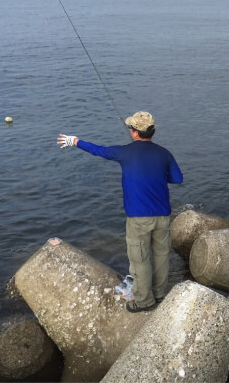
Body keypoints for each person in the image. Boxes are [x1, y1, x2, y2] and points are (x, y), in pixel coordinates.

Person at [57, 111, 183, 312]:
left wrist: (75, 141)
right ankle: (159, 295)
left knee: (140, 260)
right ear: (151, 132)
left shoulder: (124, 152)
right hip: (163, 216)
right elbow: (177, 179)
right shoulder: (164, 153)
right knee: (160, 256)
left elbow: (99, 150)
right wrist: (156, 177)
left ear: (134, 132)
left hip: (138, 218)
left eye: (130, 128)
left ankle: (143, 301)